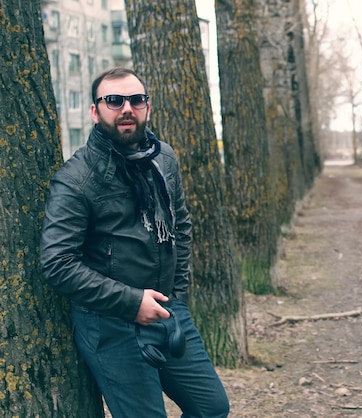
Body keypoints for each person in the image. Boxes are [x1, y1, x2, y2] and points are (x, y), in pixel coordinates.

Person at [40, 67, 230, 418]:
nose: (126, 107)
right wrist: (131, 303)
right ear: (96, 112)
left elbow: (180, 226)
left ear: (147, 107)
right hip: (111, 325)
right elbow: (57, 262)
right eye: (113, 100)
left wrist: (179, 298)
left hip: (167, 311)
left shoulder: (163, 159)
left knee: (212, 408)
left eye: (136, 99)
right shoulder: (76, 179)